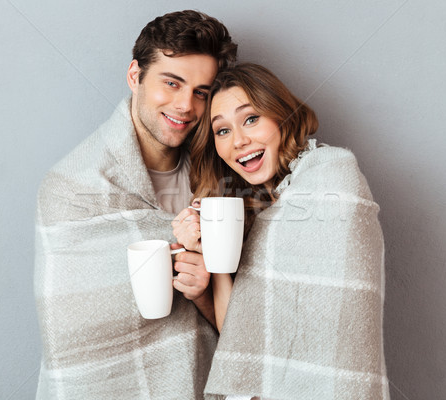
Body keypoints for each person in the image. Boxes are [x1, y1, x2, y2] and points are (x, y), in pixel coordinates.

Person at [34, 11, 236, 399]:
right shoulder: (70, 188)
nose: (185, 106)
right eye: (172, 83)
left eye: (201, 92)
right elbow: (73, 341)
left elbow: (250, 324)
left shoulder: (221, 175)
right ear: (135, 76)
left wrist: (203, 294)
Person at [173, 64, 390, 399]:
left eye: (251, 118)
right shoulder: (253, 210)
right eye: (222, 131)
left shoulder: (333, 178)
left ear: (281, 115)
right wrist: (210, 253)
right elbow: (245, 344)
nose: (240, 141)